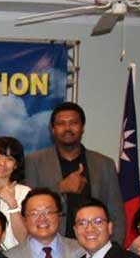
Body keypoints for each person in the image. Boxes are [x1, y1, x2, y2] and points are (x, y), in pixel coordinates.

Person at [24, 102, 125, 241]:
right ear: (52, 129)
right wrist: (61, 188)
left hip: (93, 244)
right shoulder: (34, 161)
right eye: (61, 123)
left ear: (82, 128)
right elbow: (29, 207)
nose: (67, 128)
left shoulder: (104, 164)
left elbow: (116, 213)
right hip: (51, 244)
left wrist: (114, 250)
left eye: (73, 123)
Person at [0, 136, 29, 247]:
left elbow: (25, 239)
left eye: (9, 159)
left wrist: (12, 204)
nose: (2, 163)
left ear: (16, 165)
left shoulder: (25, 193)